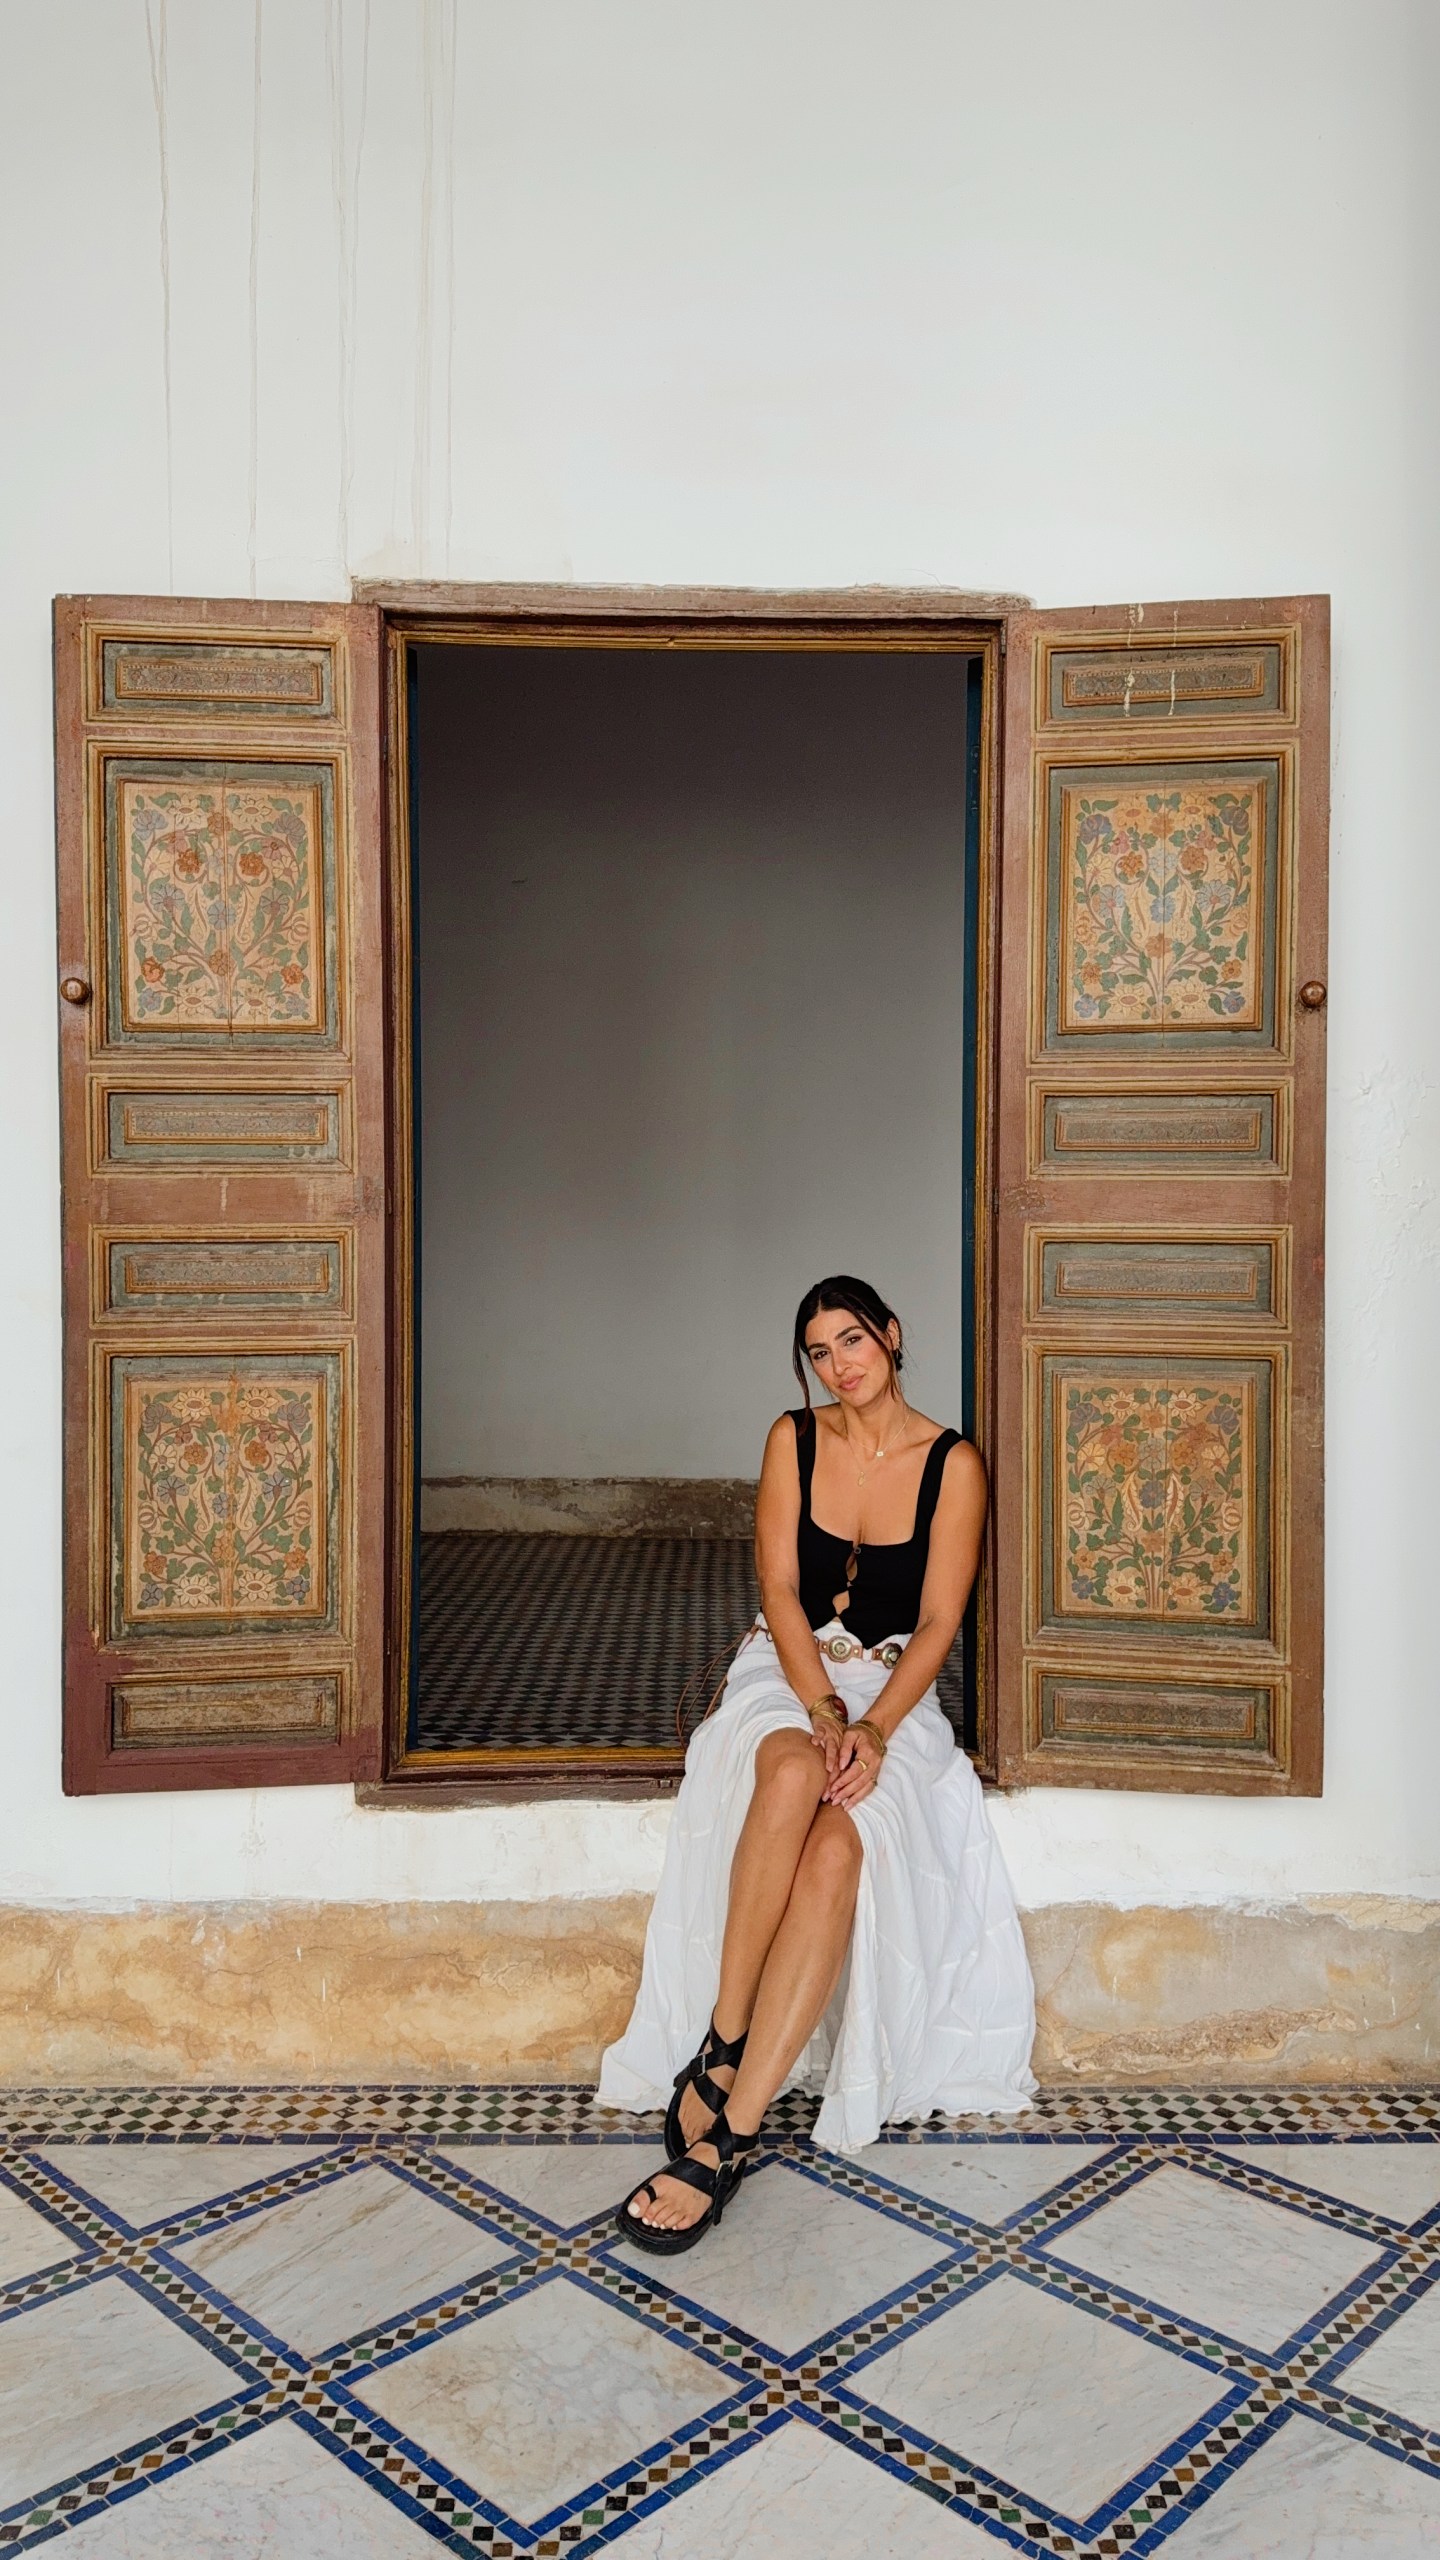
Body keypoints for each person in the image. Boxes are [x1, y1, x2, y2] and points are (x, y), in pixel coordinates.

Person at [600, 1275, 1035, 2255]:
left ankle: (734, 2131)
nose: (841, 1364)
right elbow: (781, 1590)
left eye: (853, 1340)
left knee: (841, 1847)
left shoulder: (953, 1463)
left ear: (892, 1335)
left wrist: (874, 1728)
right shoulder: (792, 1439)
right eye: (820, 1351)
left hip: (894, 1689)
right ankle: (723, 2035)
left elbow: (938, 1622)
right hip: (789, 1669)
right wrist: (821, 1707)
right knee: (794, 1771)